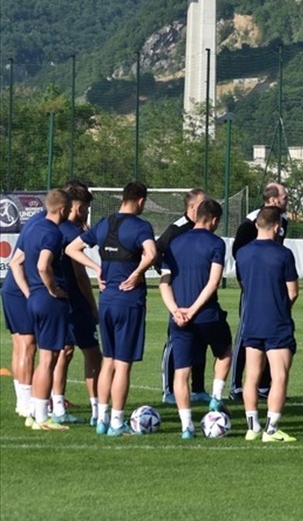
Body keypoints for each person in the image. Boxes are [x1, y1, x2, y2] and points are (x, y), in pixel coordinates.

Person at [65, 181, 157, 437]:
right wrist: (138, 273)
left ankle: (102, 419)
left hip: (107, 300)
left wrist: (96, 269)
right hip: (129, 301)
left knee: (108, 360)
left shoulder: (104, 223)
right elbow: (150, 254)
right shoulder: (141, 226)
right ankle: (117, 422)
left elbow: (71, 248)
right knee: (123, 365)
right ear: (140, 201)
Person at [158, 199, 232, 439]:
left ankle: (186, 426)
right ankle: (216, 398)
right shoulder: (216, 243)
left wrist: (176, 310)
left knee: (182, 373)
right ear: (214, 220)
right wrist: (194, 309)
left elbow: (164, 282)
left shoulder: (175, 243)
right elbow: (213, 282)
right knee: (224, 352)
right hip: (207, 315)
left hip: (179, 318)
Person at [234, 206, 299, 443]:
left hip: (251, 320)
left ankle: (253, 427)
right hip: (277, 322)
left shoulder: (242, 253)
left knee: (251, 375)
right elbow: (292, 292)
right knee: (279, 376)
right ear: (277, 227)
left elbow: (244, 284)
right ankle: (271, 430)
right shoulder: (283, 254)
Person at [229, 182, 289, 400]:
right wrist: (248, 284)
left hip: (272, 289)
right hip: (254, 289)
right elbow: (239, 254)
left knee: (271, 338)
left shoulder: (283, 221)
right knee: (246, 334)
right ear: (273, 200)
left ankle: (265, 387)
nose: (287, 201)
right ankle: (236, 385)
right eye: (284, 197)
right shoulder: (251, 223)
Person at [21, 189, 72, 431]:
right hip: (48, 299)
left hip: (34, 298)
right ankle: (41, 416)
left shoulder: (32, 229)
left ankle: (33, 410)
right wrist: (51, 289)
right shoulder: (52, 233)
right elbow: (43, 265)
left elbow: (16, 262)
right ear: (63, 210)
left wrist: (30, 292)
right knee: (48, 358)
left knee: (45, 356)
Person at [51, 181, 100, 425]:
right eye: (86, 208)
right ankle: (97, 410)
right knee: (92, 353)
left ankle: (57, 406)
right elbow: (80, 274)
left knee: (63, 351)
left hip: (56, 298)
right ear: (78, 207)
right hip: (74, 300)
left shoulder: (51, 227)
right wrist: (92, 305)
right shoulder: (72, 233)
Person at [157, 188, 208, 405]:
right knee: (176, 341)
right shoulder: (176, 230)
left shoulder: (205, 229)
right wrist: (168, 274)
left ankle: (198, 388)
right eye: (203, 203)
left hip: (199, 293)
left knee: (201, 340)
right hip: (178, 295)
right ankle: (169, 389)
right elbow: (154, 253)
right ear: (192, 207)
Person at [2, 203, 44, 422]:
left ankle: (22, 402)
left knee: (20, 346)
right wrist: (29, 293)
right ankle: (26, 403)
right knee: (27, 346)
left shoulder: (36, 221)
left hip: (11, 289)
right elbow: (17, 262)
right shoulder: (42, 225)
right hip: (19, 289)